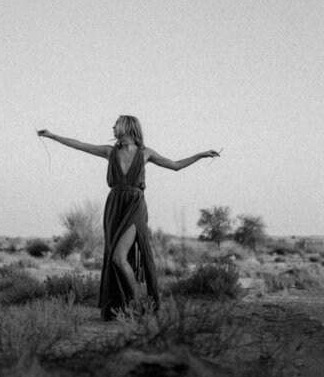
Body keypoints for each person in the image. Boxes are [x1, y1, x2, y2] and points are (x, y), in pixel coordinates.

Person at [37, 116, 220, 320]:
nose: (113, 127)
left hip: (135, 206)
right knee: (114, 257)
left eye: (116, 124)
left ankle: (135, 304)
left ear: (127, 126)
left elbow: (175, 165)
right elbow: (80, 145)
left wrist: (201, 155)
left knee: (118, 256)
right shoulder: (109, 152)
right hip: (115, 207)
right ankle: (127, 304)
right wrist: (52, 136)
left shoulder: (145, 153)